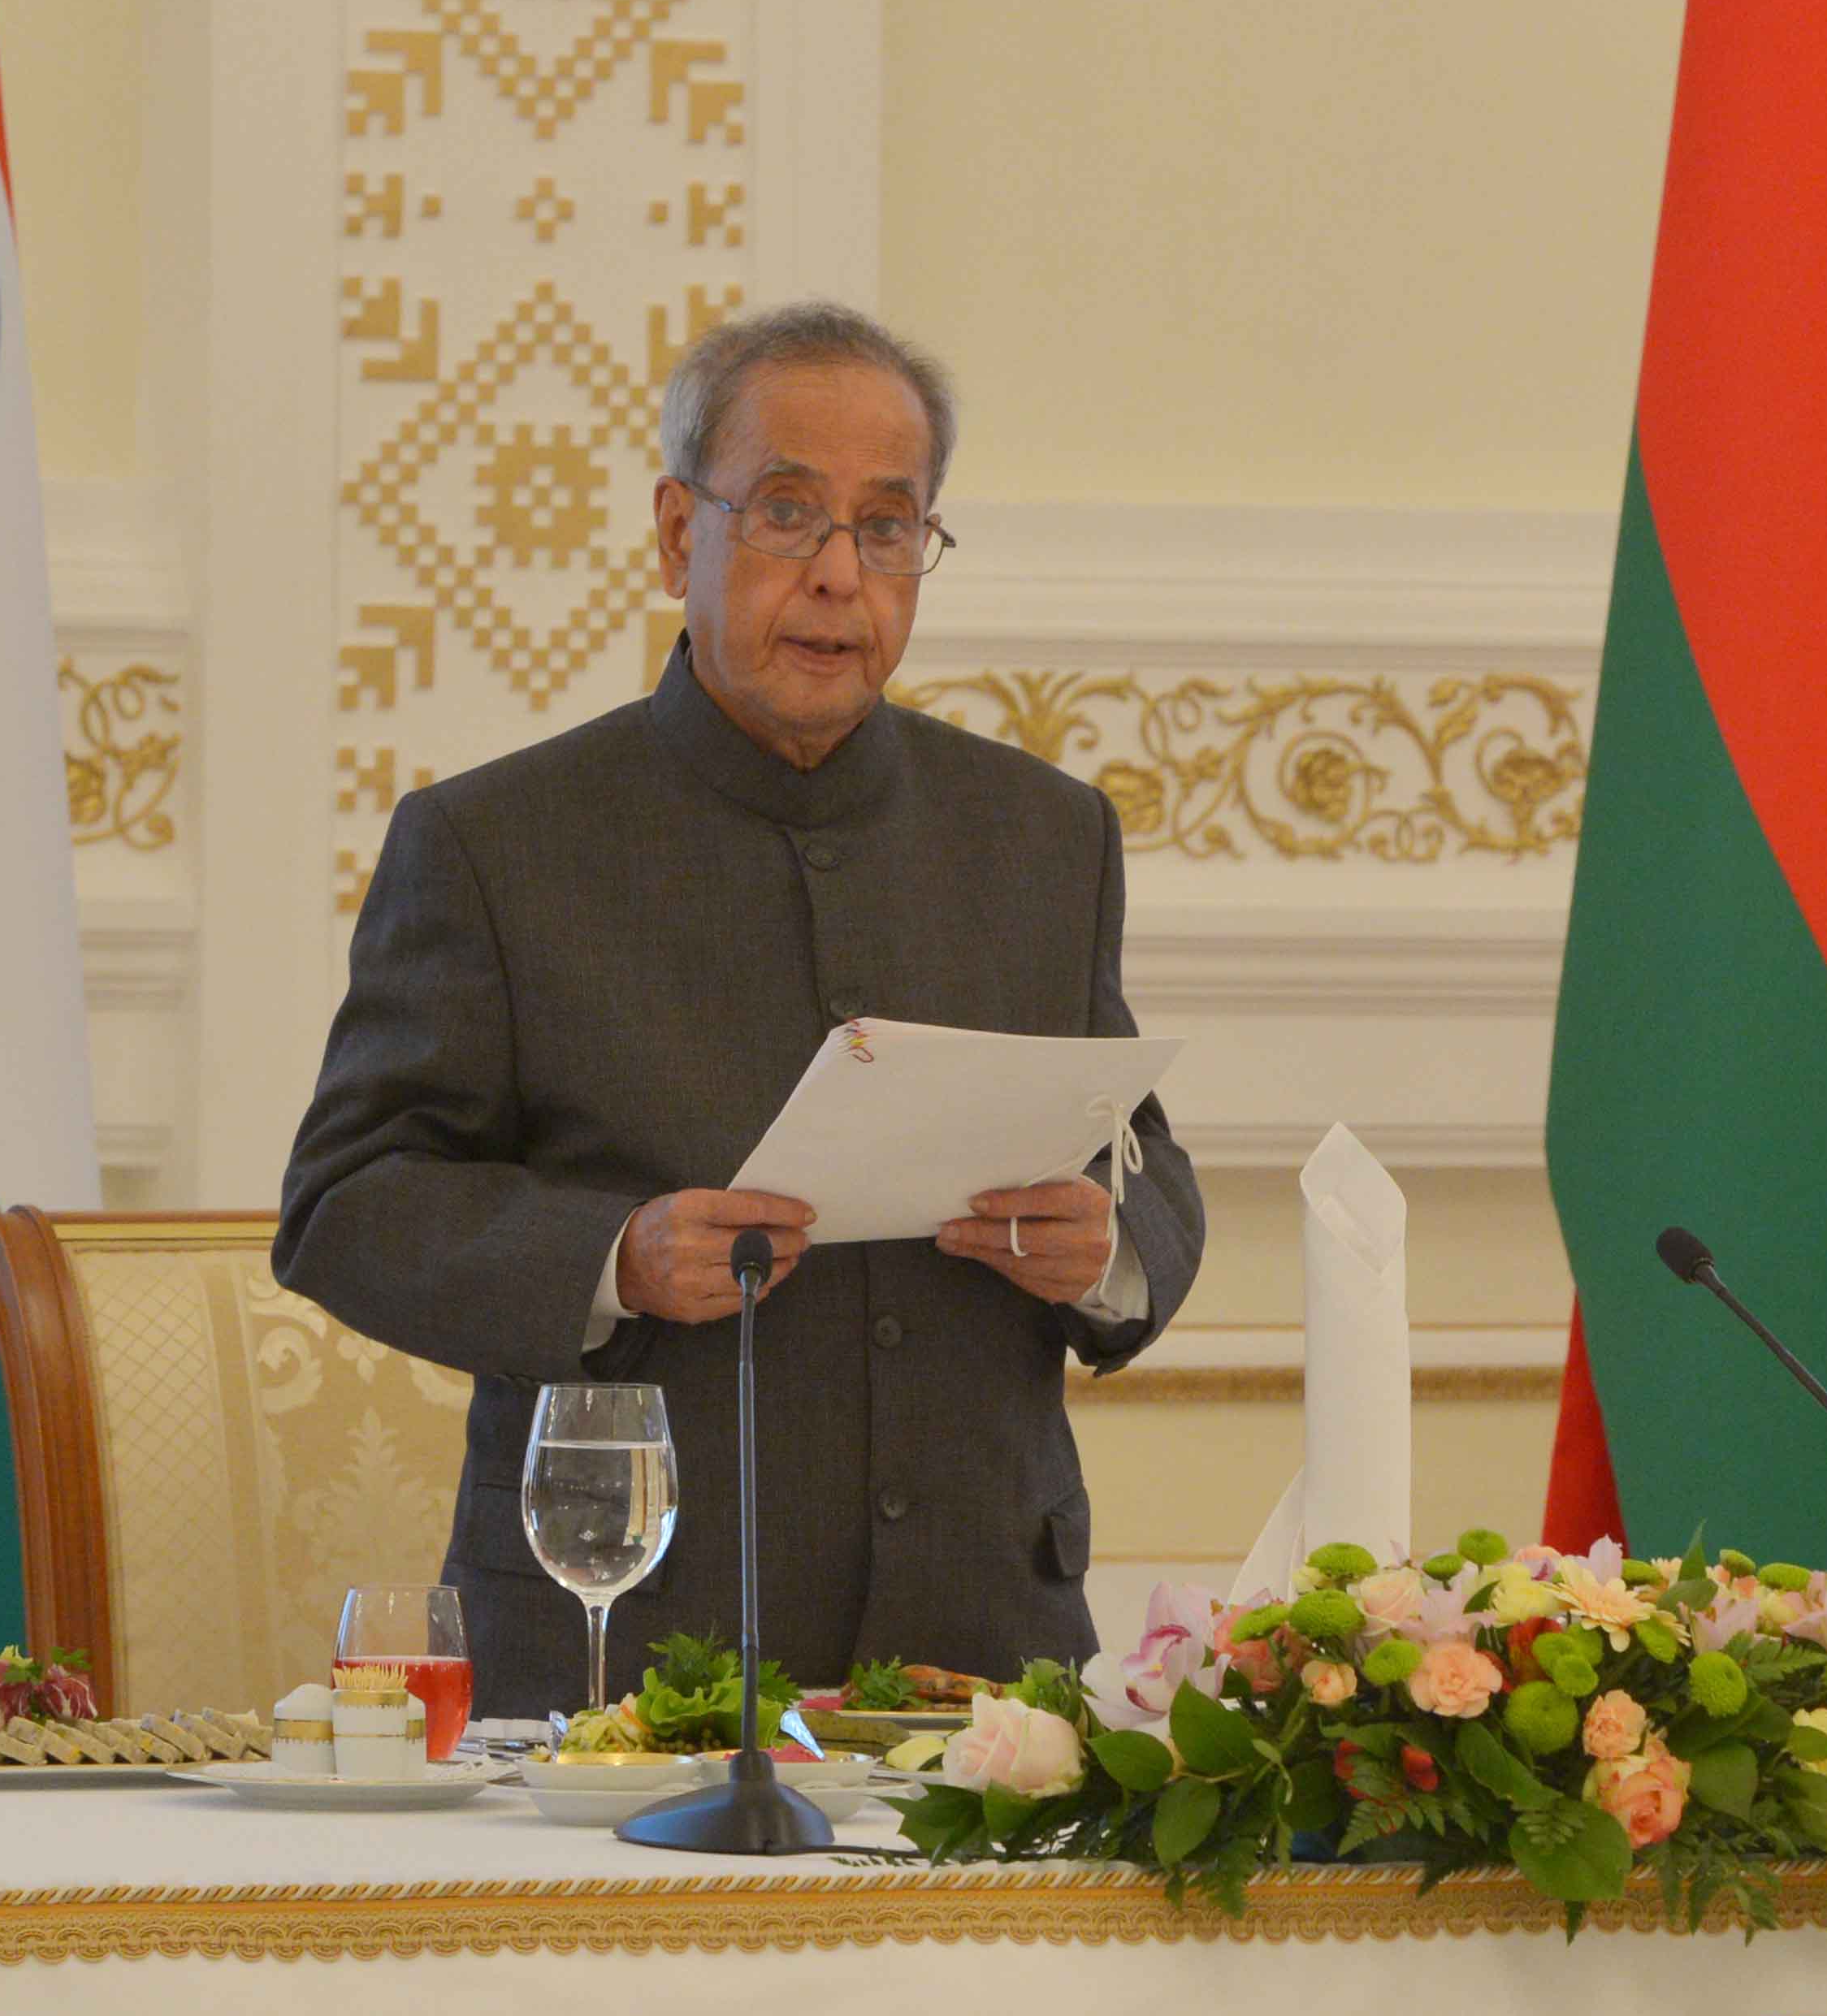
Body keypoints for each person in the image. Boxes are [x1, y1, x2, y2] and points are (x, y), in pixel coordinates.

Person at [278, 301, 1207, 1719]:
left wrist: (1106, 1251)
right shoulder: (494, 843)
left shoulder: (1042, 835)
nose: (840, 576)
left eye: (888, 527)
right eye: (786, 513)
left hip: (985, 1664)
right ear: (675, 535)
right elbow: (346, 1204)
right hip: (625, 1660)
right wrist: (614, 1255)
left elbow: (1142, 1164)